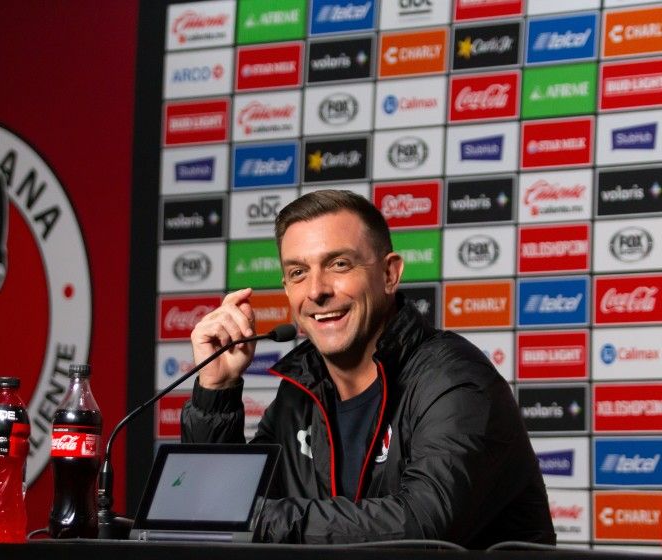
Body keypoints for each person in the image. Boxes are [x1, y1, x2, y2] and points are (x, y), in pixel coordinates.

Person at [181, 189, 555, 547]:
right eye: (298, 273)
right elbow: (215, 506)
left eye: (338, 264)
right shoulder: (300, 392)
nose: (316, 290)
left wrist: (252, 518)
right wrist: (218, 390)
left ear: (390, 274)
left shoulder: (454, 379)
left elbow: (425, 524)